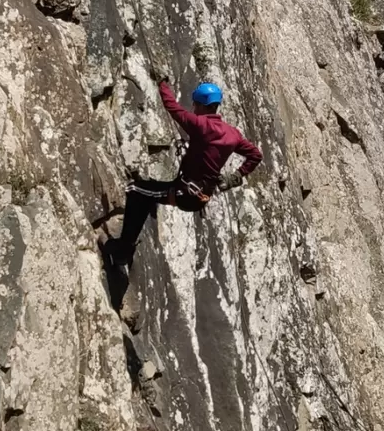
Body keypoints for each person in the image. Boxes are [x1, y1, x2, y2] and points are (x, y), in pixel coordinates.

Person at [102, 77, 263, 303]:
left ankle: (122, 251)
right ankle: (125, 248)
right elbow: (256, 155)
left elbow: (172, 107)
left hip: (185, 193)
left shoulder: (200, 125)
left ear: (201, 105)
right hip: (197, 195)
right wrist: (235, 176)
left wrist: (162, 84)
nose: (193, 108)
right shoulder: (232, 134)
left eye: (195, 105)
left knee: (135, 190)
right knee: (146, 194)